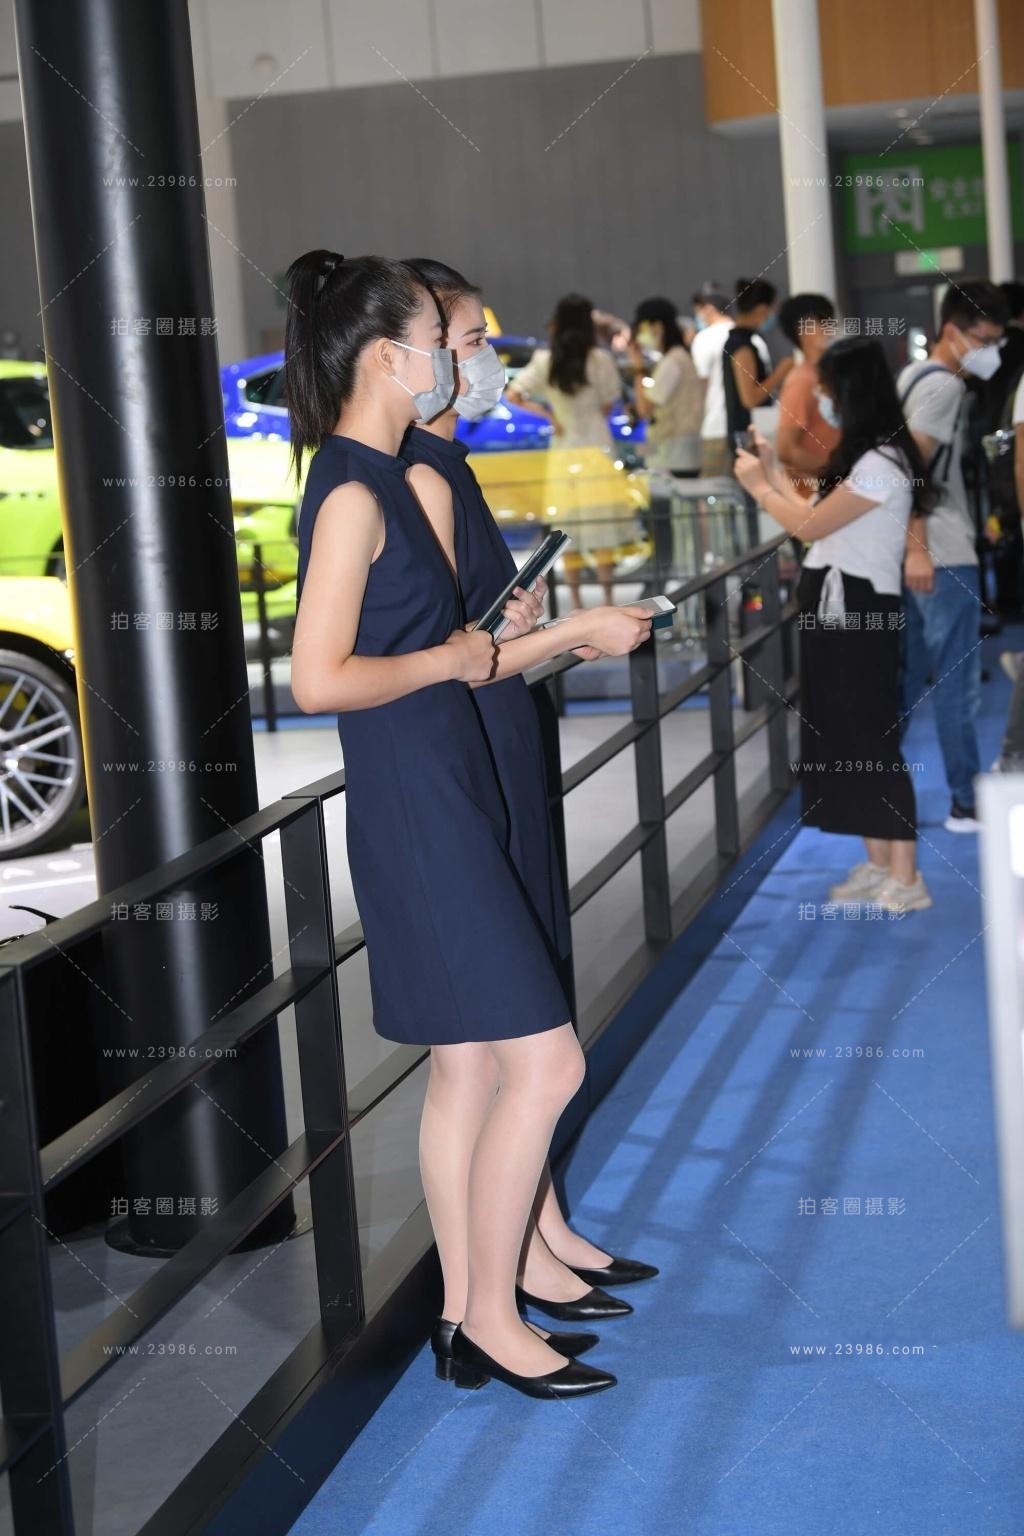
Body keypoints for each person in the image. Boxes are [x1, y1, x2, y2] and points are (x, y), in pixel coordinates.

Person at [286, 249, 654, 1399]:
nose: (453, 362)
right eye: (438, 343)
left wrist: (501, 641)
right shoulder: (353, 489)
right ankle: (487, 1314)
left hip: (447, 782)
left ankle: (470, 1312)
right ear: (386, 356)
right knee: (544, 1063)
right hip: (417, 799)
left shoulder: (395, 478)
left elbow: (461, 651)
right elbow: (316, 678)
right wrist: (453, 657)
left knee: (486, 1065)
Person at [400, 255, 659, 1371]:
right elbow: (417, 660)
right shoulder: (401, 475)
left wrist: (521, 624)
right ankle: (480, 1302)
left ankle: (521, 1262)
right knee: (493, 1054)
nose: (485, 364)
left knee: (499, 1044)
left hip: (487, 752)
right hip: (451, 772)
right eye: (465, 343)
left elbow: (462, 635)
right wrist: (562, 633)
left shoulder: (438, 468)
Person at [735, 336, 935, 913]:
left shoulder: (882, 462)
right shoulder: (867, 456)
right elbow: (816, 518)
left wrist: (761, 487)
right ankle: (879, 862)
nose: (821, 398)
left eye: (826, 387)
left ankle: (906, 876)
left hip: (859, 610)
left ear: (850, 391)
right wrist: (773, 473)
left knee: (869, 736)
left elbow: (810, 527)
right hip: (835, 606)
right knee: (845, 733)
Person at [897, 279, 1009, 832]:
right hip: (940, 553)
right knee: (955, 685)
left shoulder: (914, 376)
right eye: (983, 340)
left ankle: (876, 792)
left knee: (908, 679)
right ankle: (966, 801)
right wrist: (918, 547)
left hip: (924, 550)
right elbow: (909, 470)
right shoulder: (940, 387)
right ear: (951, 331)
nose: (990, 352)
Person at [506, 293, 635, 606]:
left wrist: (551, 416)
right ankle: (608, 599)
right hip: (598, 450)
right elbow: (609, 404)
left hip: (565, 451)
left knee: (568, 527)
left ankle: (575, 603)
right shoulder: (600, 359)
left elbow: (514, 394)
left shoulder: (546, 360)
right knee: (602, 525)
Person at [626, 296, 703, 475]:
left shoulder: (672, 362)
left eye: (642, 328)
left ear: (657, 326)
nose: (640, 335)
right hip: (680, 451)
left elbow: (644, 409)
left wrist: (638, 367)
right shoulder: (678, 357)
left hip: (674, 455)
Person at [775, 293, 841, 498]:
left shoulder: (827, 376)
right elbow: (786, 449)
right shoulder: (802, 381)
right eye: (823, 322)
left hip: (834, 492)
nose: (831, 328)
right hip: (816, 496)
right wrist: (838, 473)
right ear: (802, 330)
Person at [722, 277, 795, 449]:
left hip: (748, 432)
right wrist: (780, 373)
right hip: (747, 435)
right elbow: (750, 398)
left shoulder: (744, 341)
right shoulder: (741, 346)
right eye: (771, 308)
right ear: (762, 309)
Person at [689, 282, 737, 477]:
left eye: (698, 311)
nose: (698, 316)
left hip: (714, 427)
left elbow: (701, 385)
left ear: (709, 308)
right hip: (748, 428)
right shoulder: (751, 337)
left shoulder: (705, 338)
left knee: (713, 488)